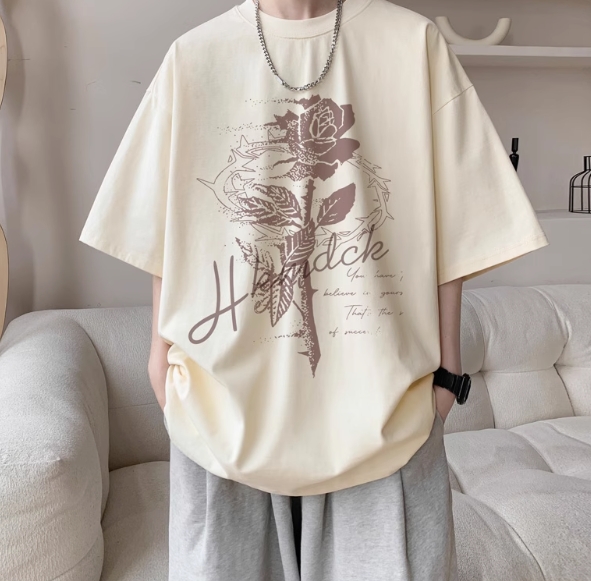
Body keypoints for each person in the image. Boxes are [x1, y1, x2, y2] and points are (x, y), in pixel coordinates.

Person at [79, 0, 550, 579]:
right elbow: (156, 225)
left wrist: (448, 372)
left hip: (387, 421)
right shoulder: (194, 57)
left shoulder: (413, 45)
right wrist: (161, 358)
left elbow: (462, 214)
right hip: (219, 421)